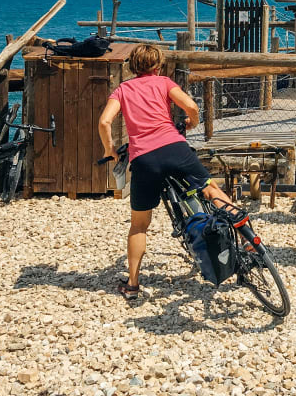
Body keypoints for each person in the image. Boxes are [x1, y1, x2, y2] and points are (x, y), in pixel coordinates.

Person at [97, 44, 240, 300]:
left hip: (145, 159)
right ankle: (249, 240)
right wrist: (191, 122)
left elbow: (105, 122)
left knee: (139, 225)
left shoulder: (122, 89)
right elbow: (192, 107)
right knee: (211, 189)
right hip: (175, 148)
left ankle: (132, 284)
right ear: (158, 66)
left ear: (132, 67)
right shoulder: (163, 83)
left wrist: (110, 150)